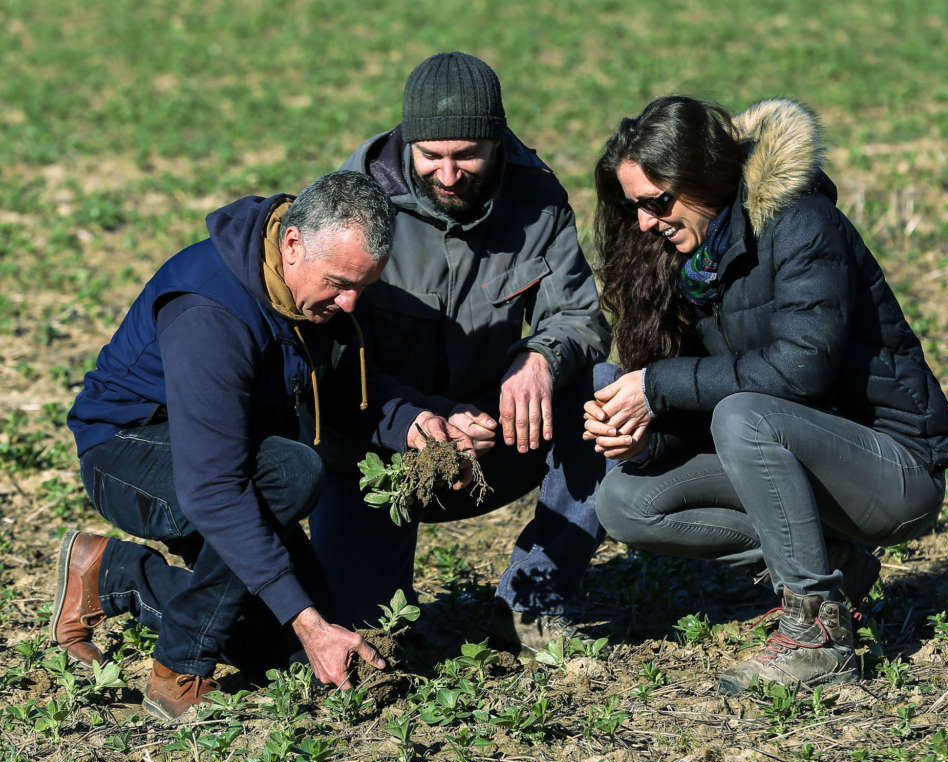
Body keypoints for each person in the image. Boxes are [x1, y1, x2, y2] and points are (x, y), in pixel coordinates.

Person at [56, 171, 470, 720]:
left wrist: (413, 422)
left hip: (235, 459)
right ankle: (177, 668)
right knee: (293, 474)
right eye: (341, 283)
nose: (351, 304)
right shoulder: (211, 313)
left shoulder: (313, 292)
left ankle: (115, 574)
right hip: (129, 452)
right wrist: (305, 616)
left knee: (285, 653)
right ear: (292, 243)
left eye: (363, 287)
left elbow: (347, 389)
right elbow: (212, 489)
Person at [584, 97, 948, 692]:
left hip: (895, 470)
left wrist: (657, 386)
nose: (646, 224)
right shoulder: (692, 261)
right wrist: (642, 441)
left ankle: (819, 631)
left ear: (704, 178)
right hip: (793, 453)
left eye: (657, 203)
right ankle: (835, 563)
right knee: (625, 502)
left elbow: (798, 372)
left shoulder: (803, 224)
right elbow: (711, 392)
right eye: (636, 208)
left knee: (743, 415)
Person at [311, 51, 612, 652]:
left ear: (497, 142)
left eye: (466, 156)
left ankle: (533, 598)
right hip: (381, 452)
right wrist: (419, 420)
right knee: (370, 637)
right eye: (431, 157)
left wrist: (540, 358)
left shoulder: (539, 198)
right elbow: (324, 356)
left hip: (495, 436)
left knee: (605, 386)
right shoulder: (348, 208)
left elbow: (578, 314)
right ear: (406, 143)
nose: (448, 175)